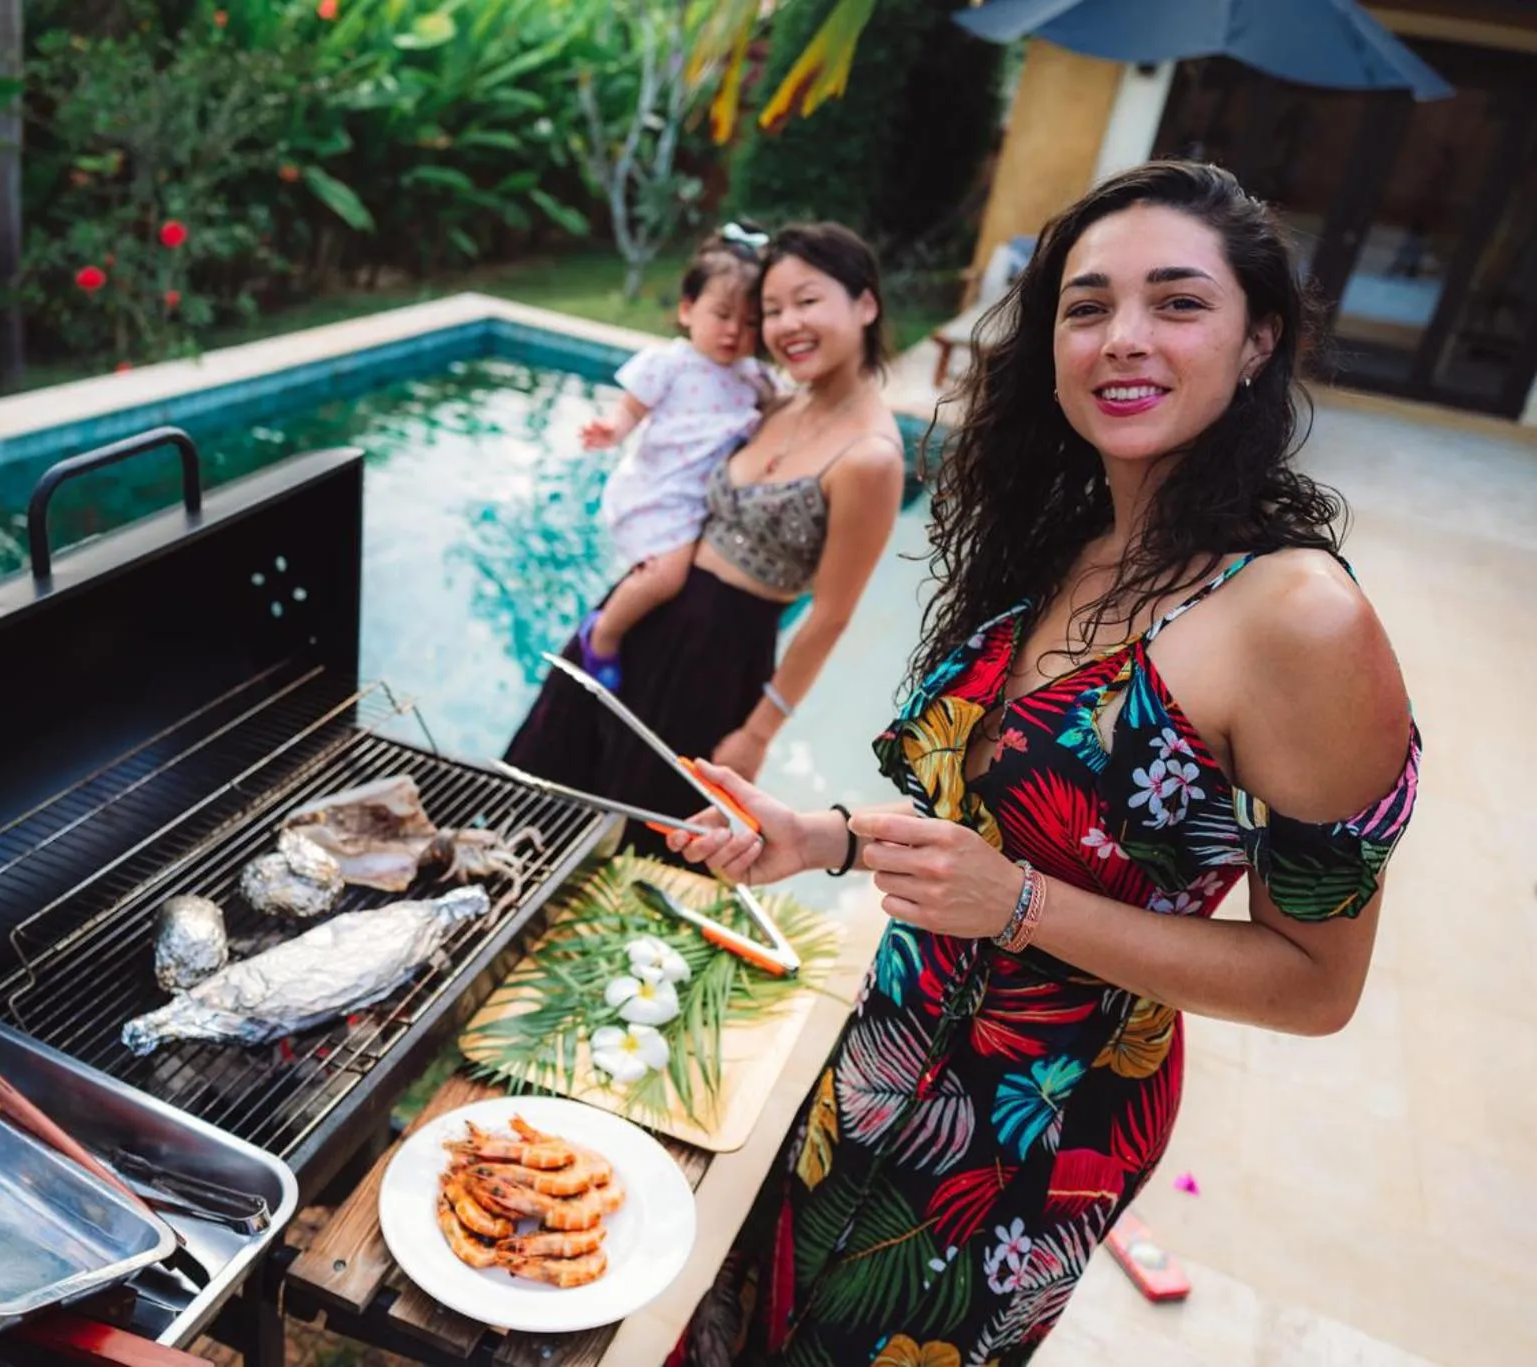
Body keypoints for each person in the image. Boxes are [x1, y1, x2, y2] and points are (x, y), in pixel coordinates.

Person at [665, 161, 1421, 1365]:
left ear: (1255, 340)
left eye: (1176, 302)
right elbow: (996, 809)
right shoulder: (1063, 538)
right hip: (882, 1043)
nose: (1122, 338)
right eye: (1085, 305)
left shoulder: (1296, 619)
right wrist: (828, 837)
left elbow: (1312, 981)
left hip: (1032, 1130)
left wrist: (1014, 904)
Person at [503, 222, 905, 841]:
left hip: (717, 660)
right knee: (542, 791)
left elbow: (829, 616)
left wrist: (757, 733)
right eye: (771, 309)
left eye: (806, 301)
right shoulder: (773, 400)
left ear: (865, 303)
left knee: (647, 839)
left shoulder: (869, 459)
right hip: (644, 609)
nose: (785, 324)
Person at [577, 223, 777, 691]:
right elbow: (631, 407)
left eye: (749, 323)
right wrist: (613, 428)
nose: (733, 331)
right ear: (688, 310)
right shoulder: (670, 363)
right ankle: (602, 636)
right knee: (666, 577)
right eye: (722, 314)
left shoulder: (754, 378)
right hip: (660, 492)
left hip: (698, 501)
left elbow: (785, 411)